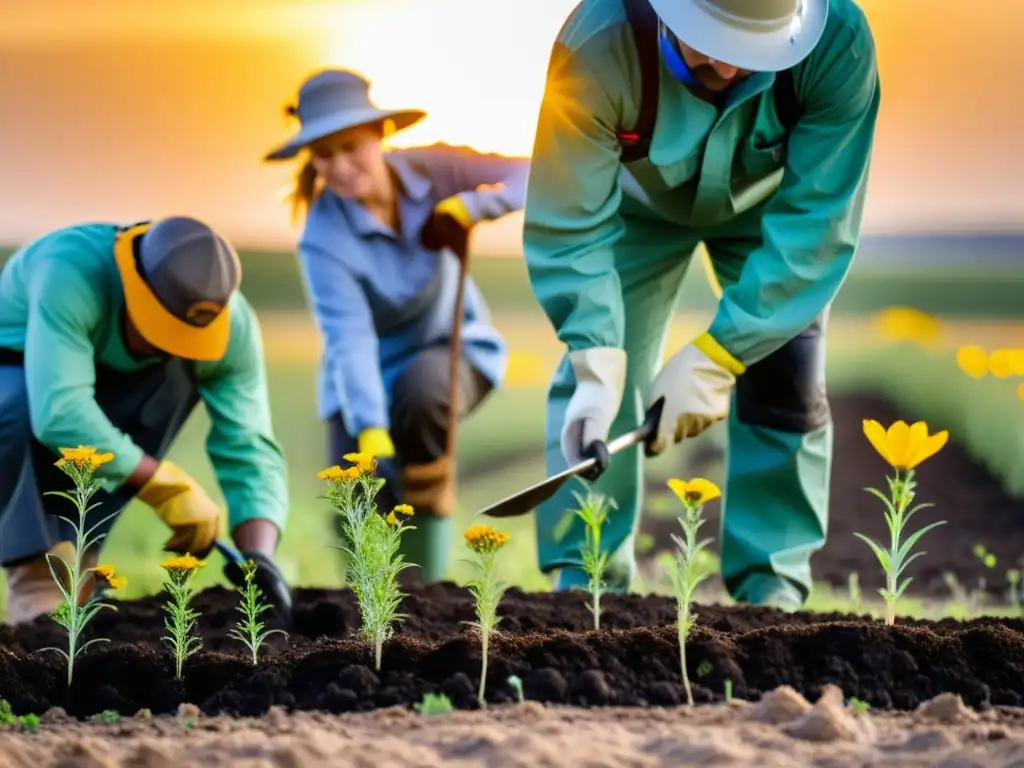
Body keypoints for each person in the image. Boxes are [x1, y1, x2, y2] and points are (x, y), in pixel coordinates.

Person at [523, 0, 880, 609]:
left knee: (785, 375)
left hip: (770, 217)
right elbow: (571, 225)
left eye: (750, 49)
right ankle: (585, 581)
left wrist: (719, 356)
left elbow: (817, 227)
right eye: (707, 38)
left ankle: (772, 588)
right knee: (608, 377)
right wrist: (593, 357)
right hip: (636, 212)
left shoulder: (837, 45)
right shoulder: (598, 44)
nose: (724, 61)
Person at [262, 69, 528, 582]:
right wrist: (370, 430)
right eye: (323, 154)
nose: (339, 167)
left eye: (351, 147)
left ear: (380, 136)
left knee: (422, 396)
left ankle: (427, 594)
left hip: (449, 355)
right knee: (356, 499)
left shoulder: (437, 169)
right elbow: (350, 339)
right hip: (360, 382)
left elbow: (539, 172)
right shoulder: (323, 237)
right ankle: (373, 618)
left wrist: (474, 205)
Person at [0, 216, 293, 625]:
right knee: (12, 401)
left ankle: (79, 556)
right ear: (134, 287)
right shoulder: (70, 272)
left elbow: (249, 441)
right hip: (17, 375)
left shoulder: (232, 326)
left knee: (170, 377)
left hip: (91, 397)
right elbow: (60, 412)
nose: (169, 344)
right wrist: (163, 486)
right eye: (162, 329)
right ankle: (38, 578)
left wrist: (259, 555)